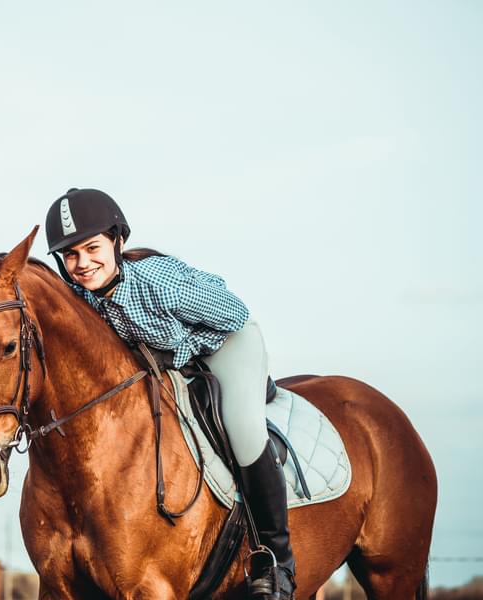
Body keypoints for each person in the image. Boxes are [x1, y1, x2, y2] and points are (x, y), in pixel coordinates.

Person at [44, 187, 296, 600]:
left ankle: (278, 564)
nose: (83, 263)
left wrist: (177, 352)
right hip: (166, 365)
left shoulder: (159, 283)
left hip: (225, 344)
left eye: (92, 248)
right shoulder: (81, 298)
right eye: (71, 255)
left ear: (117, 241)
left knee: (243, 427)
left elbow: (233, 314)